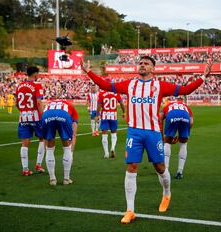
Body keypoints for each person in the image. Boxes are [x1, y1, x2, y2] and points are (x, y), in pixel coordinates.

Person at [81, 56, 213, 224]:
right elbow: (106, 85)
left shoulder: (161, 86)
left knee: (160, 167)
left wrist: (203, 76)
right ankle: (130, 210)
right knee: (131, 167)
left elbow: (185, 90)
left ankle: (166, 193)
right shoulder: (129, 84)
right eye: (140, 63)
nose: (142, 65)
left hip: (152, 132)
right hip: (134, 132)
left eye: (146, 63)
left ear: (153, 69)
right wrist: (88, 71)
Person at [15, 66, 45, 176]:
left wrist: (23, 111)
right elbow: (38, 102)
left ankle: (25, 169)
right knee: (42, 139)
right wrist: (43, 115)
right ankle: (38, 165)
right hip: (36, 117)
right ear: (35, 74)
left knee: (24, 144)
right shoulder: (37, 85)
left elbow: (16, 103)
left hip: (23, 118)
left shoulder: (19, 85)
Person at [42, 100, 78, 185]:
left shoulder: (49, 104)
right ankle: (66, 179)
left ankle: (52, 179)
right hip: (63, 115)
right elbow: (74, 134)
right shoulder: (72, 108)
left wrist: (46, 146)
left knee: (50, 147)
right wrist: (71, 153)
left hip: (47, 115)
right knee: (66, 145)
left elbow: (44, 139)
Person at [160, 97, 193, 179]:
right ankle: (179, 172)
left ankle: (166, 171)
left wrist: (163, 136)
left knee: (167, 143)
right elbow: (191, 122)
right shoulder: (187, 107)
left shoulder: (168, 105)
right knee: (183, 144)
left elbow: (159, 119)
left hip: (172, 115)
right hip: (185, 117)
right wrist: (181, 136)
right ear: (183, 102)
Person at [96, 88, 126, 158]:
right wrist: (124, 112)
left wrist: (97, 115)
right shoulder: (116, 93)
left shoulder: (101, 93)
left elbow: (99, 105)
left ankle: (106, 153)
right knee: (114, 133)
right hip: (113, 116)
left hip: (104, 116)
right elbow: (121, 103)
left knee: (104, 135)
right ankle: (112, 148)